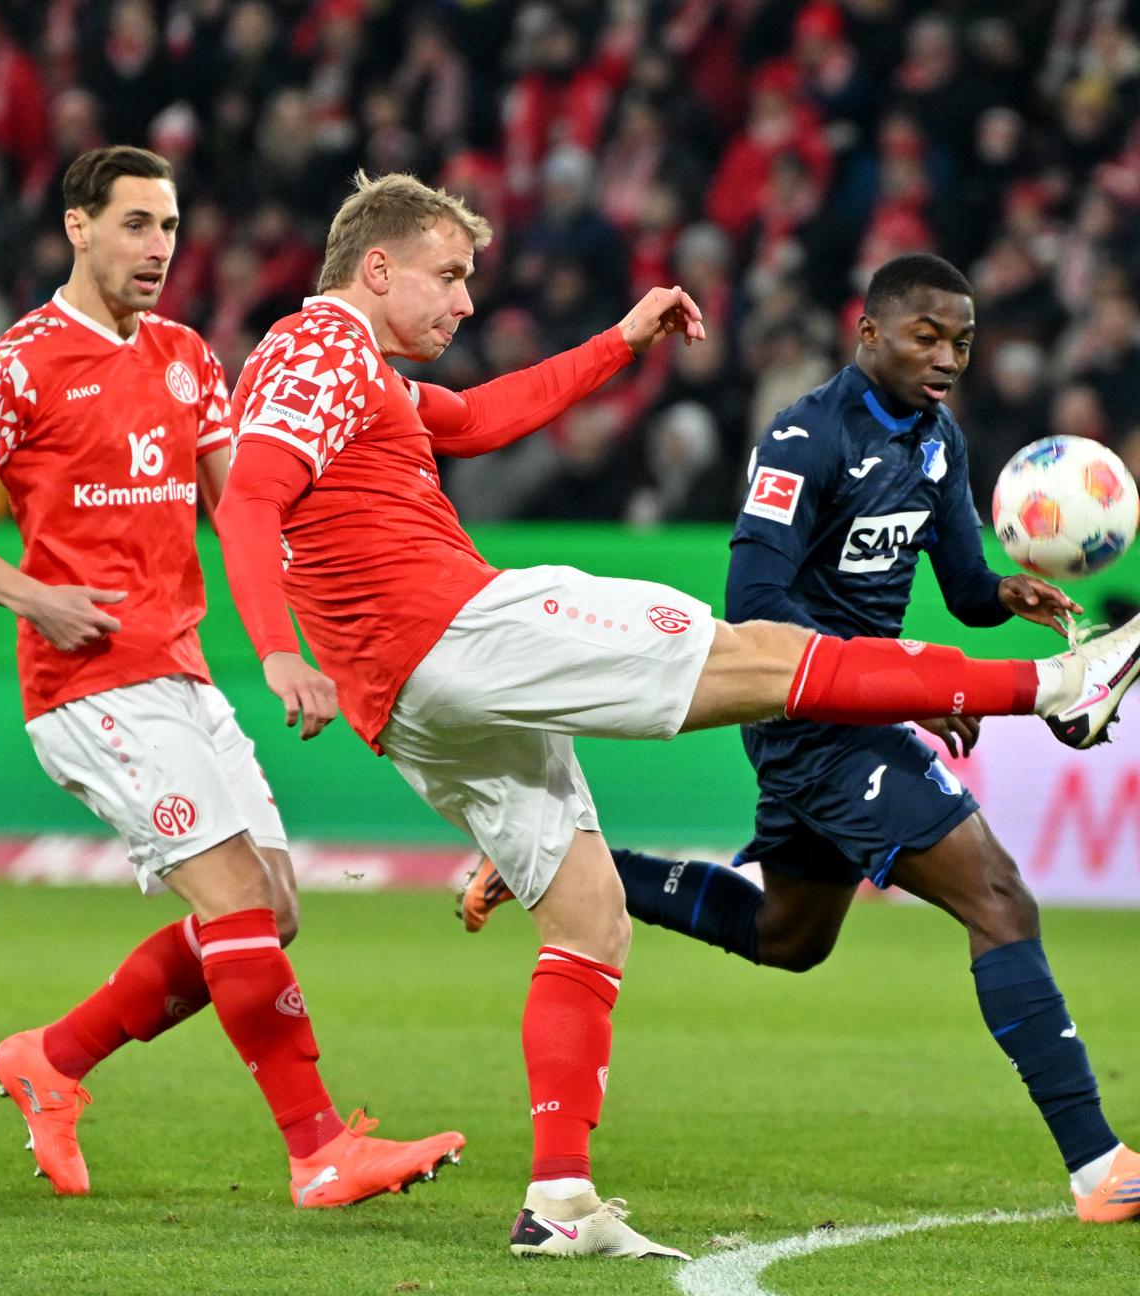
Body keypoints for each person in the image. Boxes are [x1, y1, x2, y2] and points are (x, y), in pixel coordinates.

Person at [214, 177, 1140, 1257]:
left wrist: (620, 342)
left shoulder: (362, 376)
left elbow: (482, 418)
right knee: (763, 656)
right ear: (377, 268)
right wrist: (275, 651)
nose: (465, 300)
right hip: (450, 627)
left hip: (407, 696)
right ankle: (1057, 687)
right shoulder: (319, 344)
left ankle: (560, 1205)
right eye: (450, 275)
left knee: (591, 918)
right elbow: (249, 497)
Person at [459, 253, 1140, 1226]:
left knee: (790, 937)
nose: (947, 358)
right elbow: (755, 603)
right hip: (808, 722)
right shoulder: (804, 438)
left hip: (858, 715)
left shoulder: (940, 440)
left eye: (962, 342)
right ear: (869, 334)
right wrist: (896, 682)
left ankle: (572, 866)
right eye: (926, 337)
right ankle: (1100, 1167)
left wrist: (1003, 593)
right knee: (999, 899)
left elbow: (959, 588)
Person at [0, 147, 463, 1209]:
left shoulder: (188, 357)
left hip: (185, 674)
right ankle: (318, 1150)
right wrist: (34, 598)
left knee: (273, 911)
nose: (159, 247)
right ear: (76, 227)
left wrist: (312, 626)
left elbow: (243, 503)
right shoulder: (17, 365)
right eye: (135, 224)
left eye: (168, 226)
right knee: (239, 900)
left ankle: (52, 1058)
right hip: (89, 686)